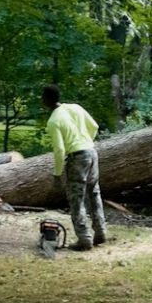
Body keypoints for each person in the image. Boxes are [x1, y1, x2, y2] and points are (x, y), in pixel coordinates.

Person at [43, 84, 106, 251]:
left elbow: (59, 149)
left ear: (47, 100)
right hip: (92, 152)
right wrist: (87, 142)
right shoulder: (75, 108)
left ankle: (84, 238)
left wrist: (57, 174)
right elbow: (94, 126)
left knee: (76, 199)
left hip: (77, 157)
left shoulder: (53, 121)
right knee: (94, 193)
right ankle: (100, 231)